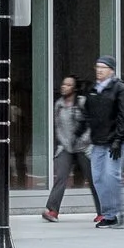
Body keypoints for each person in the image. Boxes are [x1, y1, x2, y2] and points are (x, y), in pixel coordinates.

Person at [80, 57, 124, 228]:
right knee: (97, 178)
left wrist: (118, 140)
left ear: (112, 70)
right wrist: (81, 128)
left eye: (103, 67)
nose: (99, 70)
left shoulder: (121, 89)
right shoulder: (93, 90)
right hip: (98, 141)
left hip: (115, 141)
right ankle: (109, 215)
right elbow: (88, 114)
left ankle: (120, 211)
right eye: (97, 67)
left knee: (111, 176)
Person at [41, 75, 93, 222]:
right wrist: (64, 144)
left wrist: (84, 141)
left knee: (92, 178)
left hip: (83, 147)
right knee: (61, 176)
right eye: (63, 84)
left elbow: (89, 124)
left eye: (68, 85)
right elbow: (58, 127)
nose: (64, 87)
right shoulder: (59, 104)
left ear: (74, 88)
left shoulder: (82, 103)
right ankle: (52, 210)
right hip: (66, 147)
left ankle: (103, 211)